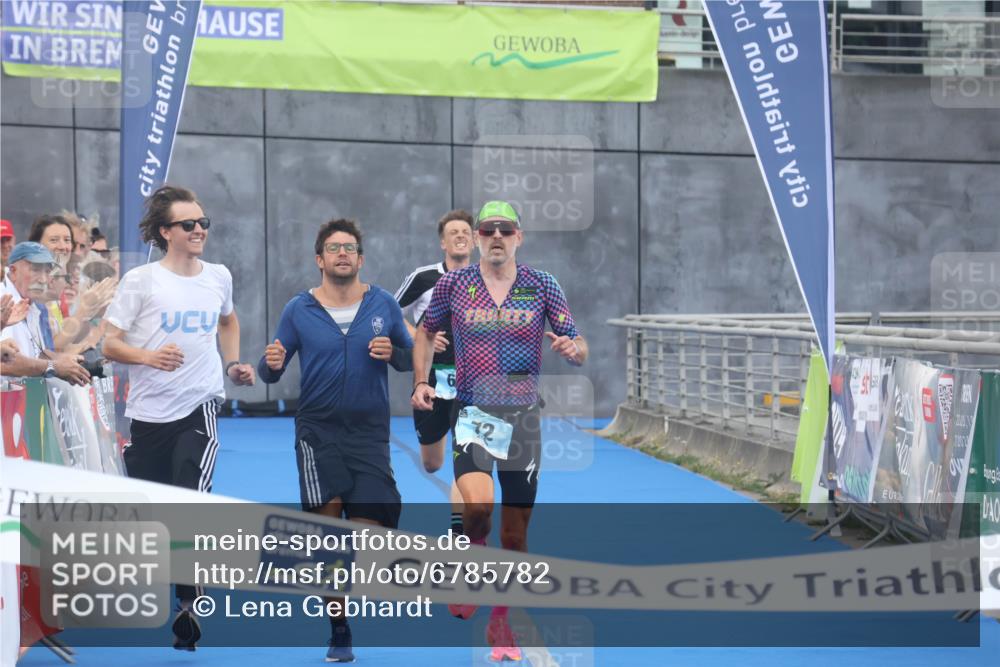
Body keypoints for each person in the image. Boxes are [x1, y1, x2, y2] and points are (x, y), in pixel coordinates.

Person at [411, 201, 588, 662]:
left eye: (503, 230)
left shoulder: (541, 285)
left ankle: (501, 619)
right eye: (486, 229)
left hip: (524, 417)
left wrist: (574, 350)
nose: (494, 236)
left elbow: (578, 342)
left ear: (518, 237)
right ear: (475, 236)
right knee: (477, 510)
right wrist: (421, 382)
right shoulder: (455, 284)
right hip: (473, 413)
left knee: (515, 537)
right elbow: (425, 333)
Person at [101, 185, 255, 651]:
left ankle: (189, 603)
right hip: (149, 414)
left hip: (200, 403)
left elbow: (228, 321)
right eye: (189, 224)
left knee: (191, 498)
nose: (199, 231)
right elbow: (109, 343)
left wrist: (231, 363)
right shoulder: (142, 281)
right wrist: (147, 357)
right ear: (167, 232)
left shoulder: (218, 276)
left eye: (203, 223)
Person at [258, 218, 412, 663]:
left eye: (350, 247)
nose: (342, 253)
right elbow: (272, 369)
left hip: (370, 434)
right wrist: (269, 363)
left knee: (375, 529)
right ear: (319, 259)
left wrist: (396, 353)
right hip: (317, 432)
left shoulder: (383, 303)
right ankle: (339, 628)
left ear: (360, 259)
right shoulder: (298, 309)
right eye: (333, 247)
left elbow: (409, 357)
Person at [394, 209, 473, 534]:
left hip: (474, 381)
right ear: (443, 242)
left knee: (467, 460)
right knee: (432, 463)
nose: (460, 236)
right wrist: (420, 336)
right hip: (432, 380)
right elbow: (389, 313)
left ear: (475, 240)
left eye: (466, 231)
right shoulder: (424, 278)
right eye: (453, 232)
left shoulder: (486, 279)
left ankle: (460, 534)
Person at [1, 242, 90, 384]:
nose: (43, 279)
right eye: (35, 269)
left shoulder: (34, 304)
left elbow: (36, 355)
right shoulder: (3, 298)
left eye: (47, 271)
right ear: (13, 270)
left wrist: (66, 361)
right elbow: (4, 363)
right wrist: (53, 366)